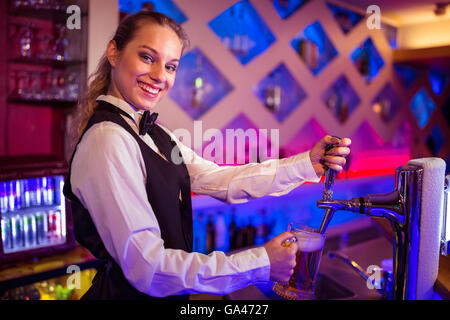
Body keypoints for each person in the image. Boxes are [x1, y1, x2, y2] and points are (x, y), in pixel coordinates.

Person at [63, 10, 351, 300]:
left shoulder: (153, 132)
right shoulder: (107, 140)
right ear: (114, 52)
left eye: (171, 66)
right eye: (147, 58)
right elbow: (148, 267)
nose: (159, 76)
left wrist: (305, 165)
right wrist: (259, 263)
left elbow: (220, 179)